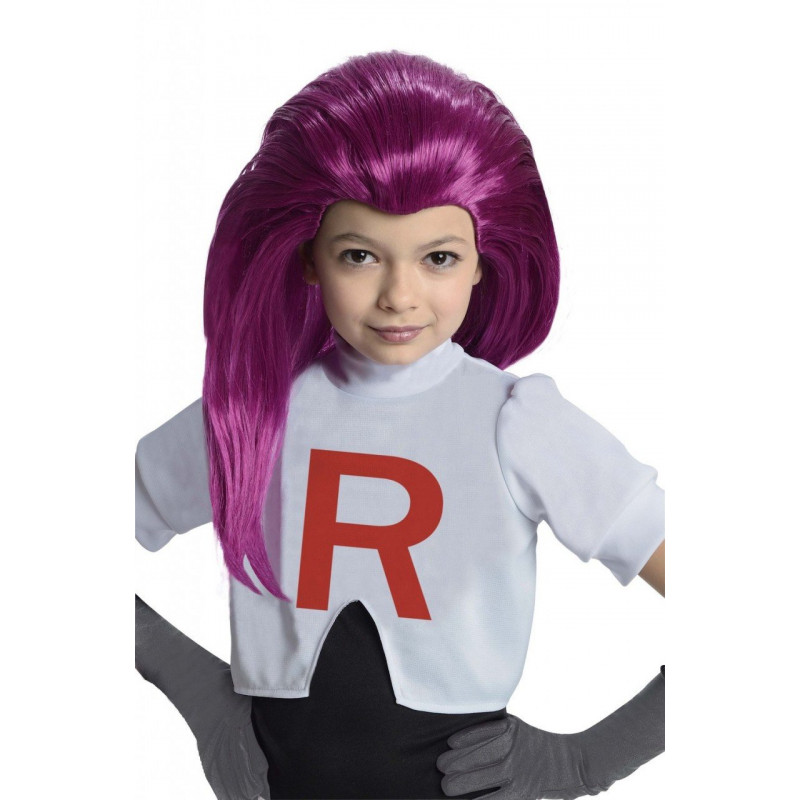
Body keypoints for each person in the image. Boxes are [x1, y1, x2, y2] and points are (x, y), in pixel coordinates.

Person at [135, 50, 665, 800]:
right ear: (309, 258)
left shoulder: (517, 424)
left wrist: (589, 760)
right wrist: (193, 688)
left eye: (438, 257)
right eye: (359, 255)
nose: (399, 295)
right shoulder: (254, 415)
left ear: (482, 260)